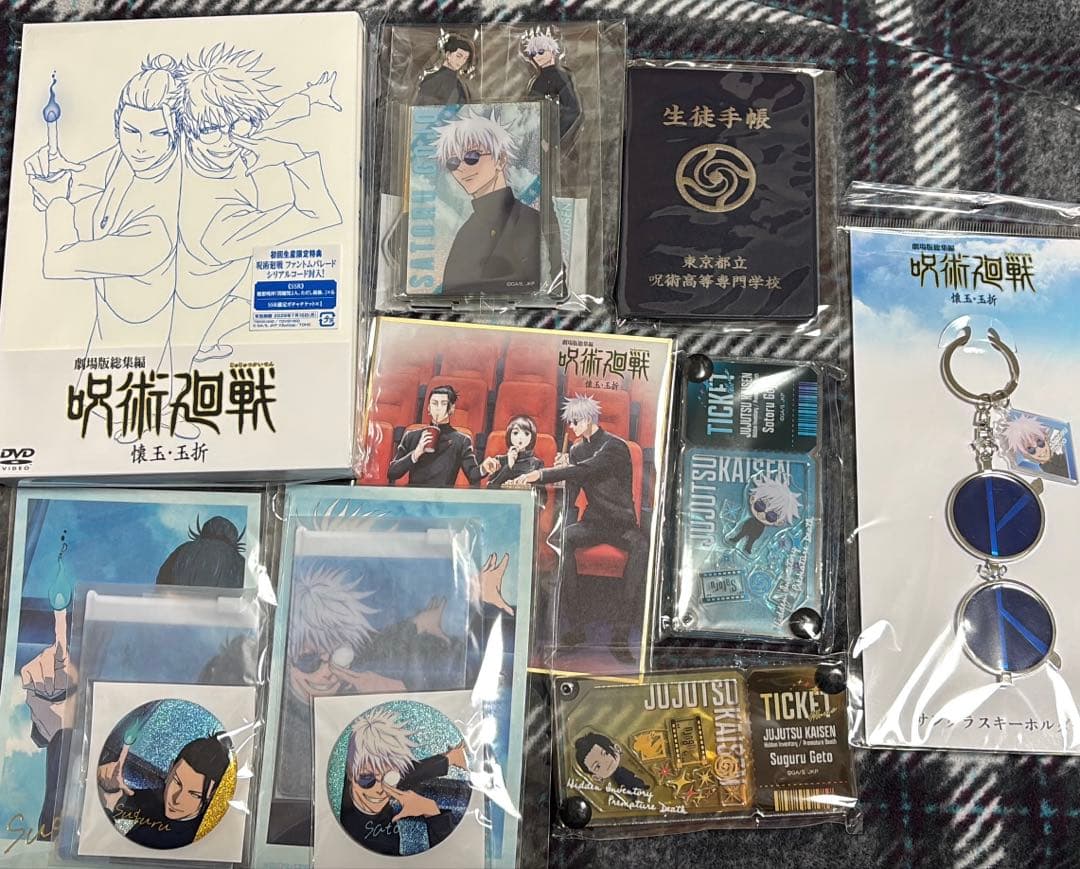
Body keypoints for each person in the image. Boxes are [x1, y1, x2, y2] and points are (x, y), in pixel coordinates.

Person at [171, 43, 342, 369]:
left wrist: (308, 98)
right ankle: (205, 344)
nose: (227, 141)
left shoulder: (197, 141)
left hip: (209, 285)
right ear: (188, 129)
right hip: (207, 297)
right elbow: (319, 214)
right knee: (268, 286)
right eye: (210, 130)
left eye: (238, 126)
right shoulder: (219, 227)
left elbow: (253, 120)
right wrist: (295, 156)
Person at [24, 55, 183, 367]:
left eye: (158, 134)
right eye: (131, 130)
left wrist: (56, 202)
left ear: (176, 133)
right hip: (106, 327)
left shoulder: (158, 225)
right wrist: (53, 174)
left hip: (147, 344)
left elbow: (58, 262)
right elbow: (80, 176)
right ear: (118, 123)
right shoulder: (128, 158)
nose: (141, 146)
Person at [513, 394, 648, 658]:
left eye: (575, 422)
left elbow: (585, 469)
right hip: (594, 521)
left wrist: (541, 474)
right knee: (562, 539)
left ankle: (620, 635)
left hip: (622, 524)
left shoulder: (614, 446)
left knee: (641, 548)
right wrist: (561, 489)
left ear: (588, 419)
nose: (572, 427)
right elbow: (574, 487)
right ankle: (576, 628)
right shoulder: (576, 450)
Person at [435, 109, 541, 296]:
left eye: (472, 157)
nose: (461, 169)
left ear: (500, 159)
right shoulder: (466, 234)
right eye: (453, 162)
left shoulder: (531, 220)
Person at [339, 708, 467, 855]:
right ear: (350, 774)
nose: (381, 789)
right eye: (367, 779)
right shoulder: (340, 807)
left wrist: (432, 812)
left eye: (390, 778)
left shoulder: (388, 783)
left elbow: (411, 772)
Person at [98, 732, 231, 849]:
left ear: (212, 795)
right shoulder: (150, 798)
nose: (176, 799)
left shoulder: (203, 836)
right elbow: (122, 803)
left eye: (194, 794)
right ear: (170, 770)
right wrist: (110, 788)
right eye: (177, 782)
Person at [387, 386, 485, 486]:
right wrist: (415, 454)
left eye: (443, 404)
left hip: (443, 495)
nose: (438, 408)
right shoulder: (411, 436)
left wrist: (484, 468)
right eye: (434, 403)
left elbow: (472, 475)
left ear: (451, 409)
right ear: (429, 408)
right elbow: (392, 473)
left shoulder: (462, 440)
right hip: (414, 494)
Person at [522, 31, 580, 140]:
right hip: (536, 134)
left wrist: (554, 135)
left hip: (551, 135)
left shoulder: (561, 77)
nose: (537, 56)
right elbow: (529, 109)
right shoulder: (537, 81)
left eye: (541, 51)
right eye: (533, 54)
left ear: (552, 51)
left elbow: (572, 110)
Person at [727, 475, 801, 554]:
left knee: (752, 539)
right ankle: (736, 539)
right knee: (742, 532)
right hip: (750, 522)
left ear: (779, 522)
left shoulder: (763, 527)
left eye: (771, 516)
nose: (762, 514)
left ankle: (748, 547)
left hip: (759, 528)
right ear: (752, 499)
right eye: (760, 506)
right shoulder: (749, 519)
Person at [482, 415, 545, 488]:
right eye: (515, 433)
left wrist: (526, 486)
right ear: (509, 435)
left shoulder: (537, 463)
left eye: (526, 433)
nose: (520, 437)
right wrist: (509, 467)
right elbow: (490, 488)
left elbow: (542, 493)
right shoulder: (499, 460)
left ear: (531, 438)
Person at [1001, 414, 1071, 478]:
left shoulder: (1066, 456)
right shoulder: (1042, 474)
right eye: (1031, 449)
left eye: (1039, 442)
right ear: (1026, 454)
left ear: (1045, 438)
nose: (1039, 450)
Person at [573, 732, 646, 791]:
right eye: (598, 766)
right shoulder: (616, 782)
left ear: (616, 748)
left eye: (606, 753)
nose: (606, 762)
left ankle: (642, 786)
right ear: (596, 777)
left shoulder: (625, 770)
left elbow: (632, 775)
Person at [416, 34, 473, 106]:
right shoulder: (433, 79)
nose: (461, 61)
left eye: (465, 58)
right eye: (458, 56)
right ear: (448, 54)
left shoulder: (459, 83)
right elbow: (422, 105)